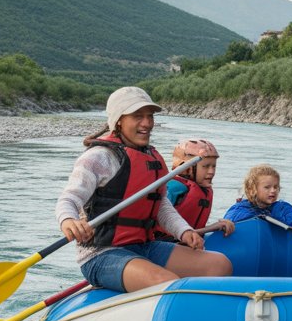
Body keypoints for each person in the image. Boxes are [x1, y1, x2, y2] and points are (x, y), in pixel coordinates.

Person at [56, 86, 232, 293]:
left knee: (220, 265)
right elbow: (68, 199)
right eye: (138, 116)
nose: (147, 123)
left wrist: (184, 231)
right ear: (119, 120)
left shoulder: (150, 156)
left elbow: (160, 205)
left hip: (144, 246)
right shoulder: (99, 157)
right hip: (102, 254)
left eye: (150, 116)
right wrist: (68, 220)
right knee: (169, 284)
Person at [157, 138, 235, 240]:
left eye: (214, 166)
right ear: (187, 167)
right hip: (167, 242)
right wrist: (213, 227)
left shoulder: (204, 190)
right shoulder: (174, 187)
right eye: (205, 166)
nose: (211, 171)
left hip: (187, 241)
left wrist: (216, 226)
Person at [224, 164, 292, 227]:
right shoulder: (240, 209)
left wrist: (276, 216)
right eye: (267, 187)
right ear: (252, 189)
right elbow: (228, 223)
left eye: (276, 187)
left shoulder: (284, 208)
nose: (273, 191)